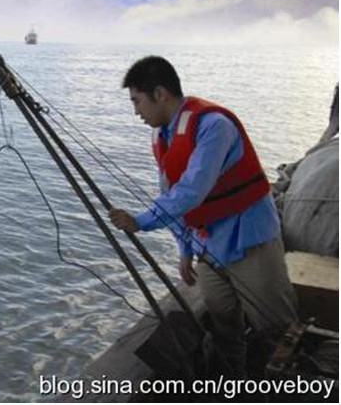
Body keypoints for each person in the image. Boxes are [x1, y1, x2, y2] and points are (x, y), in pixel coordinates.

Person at [108, 55, 297, 376]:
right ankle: (233, 388)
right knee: (224, 330)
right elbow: (172, 195)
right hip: (209, 249)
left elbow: (192, 189)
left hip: (249, 242)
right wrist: (185, 249)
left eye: (137, 101)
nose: (136, 112)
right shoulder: (163, 136)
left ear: (160, 94)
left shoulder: (214, 126)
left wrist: (140, 221)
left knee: (276, 329)